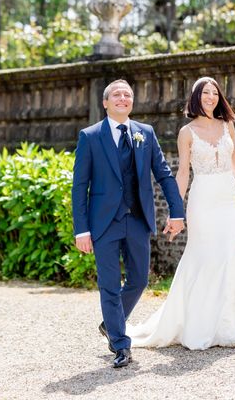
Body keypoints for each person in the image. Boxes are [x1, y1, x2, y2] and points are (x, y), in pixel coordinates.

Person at [127, 76, 235, 350]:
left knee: (227, 257)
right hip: (203, 201)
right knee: (203, 257)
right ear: (196, 98)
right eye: (205, 93)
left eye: (214, 93)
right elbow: (183, 172)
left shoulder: (227, 125)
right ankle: (196, 328)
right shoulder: (186, 132)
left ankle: (223, 328)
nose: (210, 97)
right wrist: (177, 210)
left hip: (227, 202)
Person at [72, 79, 185, 368]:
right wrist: (81, 230)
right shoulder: (90, 136)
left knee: (139, 279)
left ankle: (110, 323)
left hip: (137, 219)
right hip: (103, 223)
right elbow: (80, 186)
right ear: (105, 102)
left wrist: (177, 211)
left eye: (128, 95)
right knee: (109, 284)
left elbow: (163, 173)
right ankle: (121, 345)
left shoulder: (145, 133)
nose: (123, 98)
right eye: (117, 95)